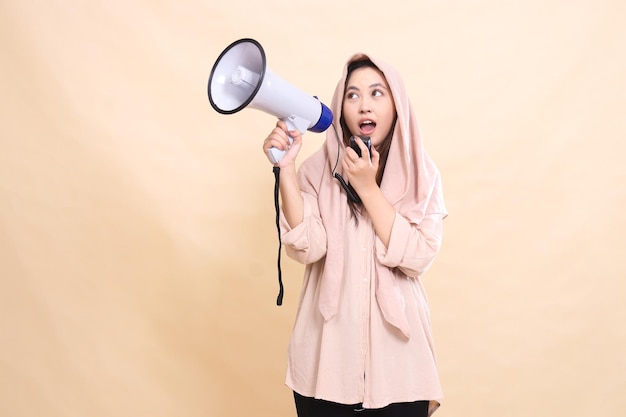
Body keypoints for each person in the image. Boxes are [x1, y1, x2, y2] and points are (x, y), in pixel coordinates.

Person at [262, 53, 447, 417]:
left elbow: (419, 256)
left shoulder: (423, 174)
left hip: (400, 372)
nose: (365, 105)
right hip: (325, 366)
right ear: (340, 106)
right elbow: (306, 247)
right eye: (353, 95)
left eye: (377, 93)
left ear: (397, 105)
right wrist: (286, 169)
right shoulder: (318, 170)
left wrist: (368, 188)